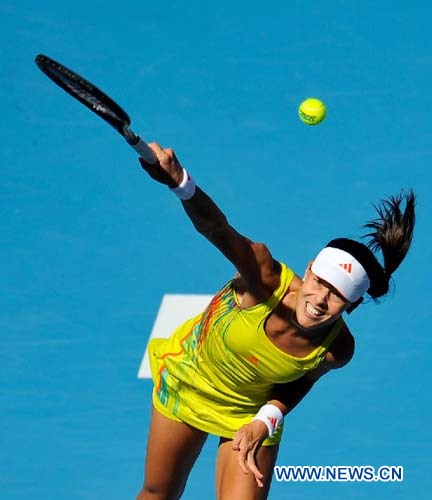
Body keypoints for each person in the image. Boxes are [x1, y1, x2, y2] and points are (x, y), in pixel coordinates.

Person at [136, 143, 416, 500]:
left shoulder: (338, 349)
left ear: (353, 305)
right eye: (319, 283)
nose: (320, 300)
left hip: (249, 413)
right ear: (309, 269)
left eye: (337, 296)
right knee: (159, 492)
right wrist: (180, 182)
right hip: (192, 380)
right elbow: (219, 230)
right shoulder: (264, 277)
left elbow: (301, 380)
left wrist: (267, 418)